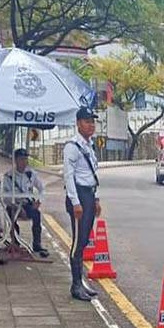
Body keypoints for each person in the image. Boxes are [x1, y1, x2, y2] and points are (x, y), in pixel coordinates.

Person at [63, 107, 102, 301]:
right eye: (87, 121)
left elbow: (94, 173)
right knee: (78, 242)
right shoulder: (72, 146)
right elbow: (68, 177)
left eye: (93, 121)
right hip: (78, 196)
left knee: (85, 240)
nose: (91, 125)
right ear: (78, 123)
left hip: (89, 194)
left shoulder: (89, 145)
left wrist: (96, 199)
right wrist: (75, 202)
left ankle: (81, 282)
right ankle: (76, 285)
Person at [2, 148, 49, 258]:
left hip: (28, 205)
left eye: (25, 159)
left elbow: (42, 189)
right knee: (11, 217)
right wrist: (17, 207)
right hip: (14, 205)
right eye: (21, 159)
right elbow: (6, 197)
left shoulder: (31, 174)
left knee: (37, 215)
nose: (24, 162)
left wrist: (39, 201)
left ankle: (37, 244)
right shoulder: (8, 176)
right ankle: (16, 242)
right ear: (16, 161)